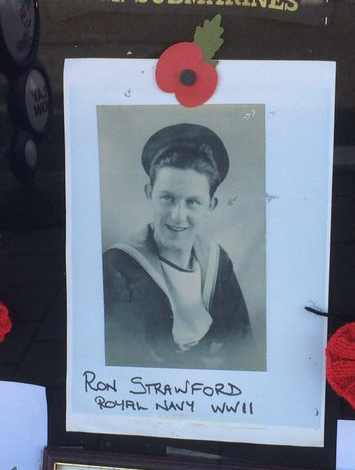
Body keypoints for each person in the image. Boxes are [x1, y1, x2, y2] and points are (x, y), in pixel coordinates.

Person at [103, 123, 256, 370]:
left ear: (211, 206)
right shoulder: (119, 266)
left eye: (193, 202)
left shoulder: (218, 262)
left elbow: (243, 345)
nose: (178, 215)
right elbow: (125, 356)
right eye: (167, 198)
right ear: (149, 193)